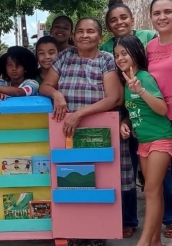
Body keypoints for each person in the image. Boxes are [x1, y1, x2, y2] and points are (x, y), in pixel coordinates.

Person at [39, 17, 123, 246]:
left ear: (100, 37)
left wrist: (79, 114)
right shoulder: (65, 57)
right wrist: (57, 95)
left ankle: (96, 235)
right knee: (72, 181)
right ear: (74, 36)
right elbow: (45, 85)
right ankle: (75, 232)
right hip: (66, 131)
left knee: (98, 183)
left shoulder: (106, 60)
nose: (85, 35)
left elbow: (114, 97)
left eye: (91, 31)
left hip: (98, 131)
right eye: (81, 31)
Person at [115, 35, 172, 246]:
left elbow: (161, 109)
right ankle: (155, 241)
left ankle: (144, 242)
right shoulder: (126, 82)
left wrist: (140, 90)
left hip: (161, 139)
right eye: (116, 55)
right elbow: (135, 112)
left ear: (136, 53)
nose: (120, 58)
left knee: (149, 190)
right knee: (153, 191)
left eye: (124, 53)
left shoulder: (144, 78)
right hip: (144, 142)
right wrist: (125, 123)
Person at [147, 0, 172, 239]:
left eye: (168, 12)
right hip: (158, 120)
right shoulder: (150, 48)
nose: (162, 17)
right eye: (157, 13)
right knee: (156, 186)